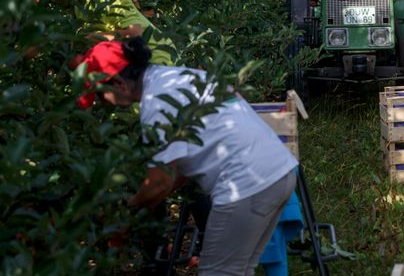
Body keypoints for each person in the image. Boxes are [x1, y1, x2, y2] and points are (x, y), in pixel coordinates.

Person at [73, 37, 298, 275]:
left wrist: (126, 216)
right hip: (279, 173)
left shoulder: (157, 103)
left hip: (247, 186)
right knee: (239, 269)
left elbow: (159, 182)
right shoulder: (178, 77)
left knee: (217, 272)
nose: (103, 103)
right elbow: (176, 171)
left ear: (118, 83)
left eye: (99, 95)